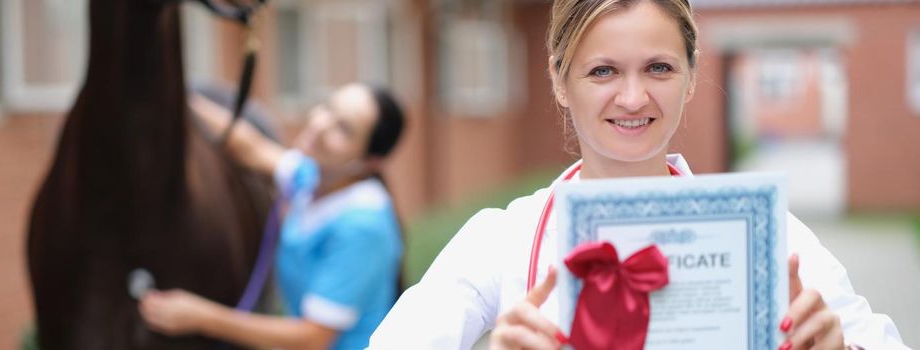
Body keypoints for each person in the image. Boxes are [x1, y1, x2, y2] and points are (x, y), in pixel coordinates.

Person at [368, 1, 907, 349]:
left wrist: (839, 348)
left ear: (692, 77)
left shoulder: (769, 237)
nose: (632, 97)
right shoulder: (501, 241)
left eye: (659, 68)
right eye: (603, 71)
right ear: (559, 81)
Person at [139, 83, 407, 350]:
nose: (321, 124)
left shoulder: (363, 226)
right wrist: (183, 99)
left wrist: (201, 317)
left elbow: (311, 338)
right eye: (327, 108)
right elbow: (251, 148)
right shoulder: (314, 177)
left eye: (344, 129)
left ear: (370, 161)